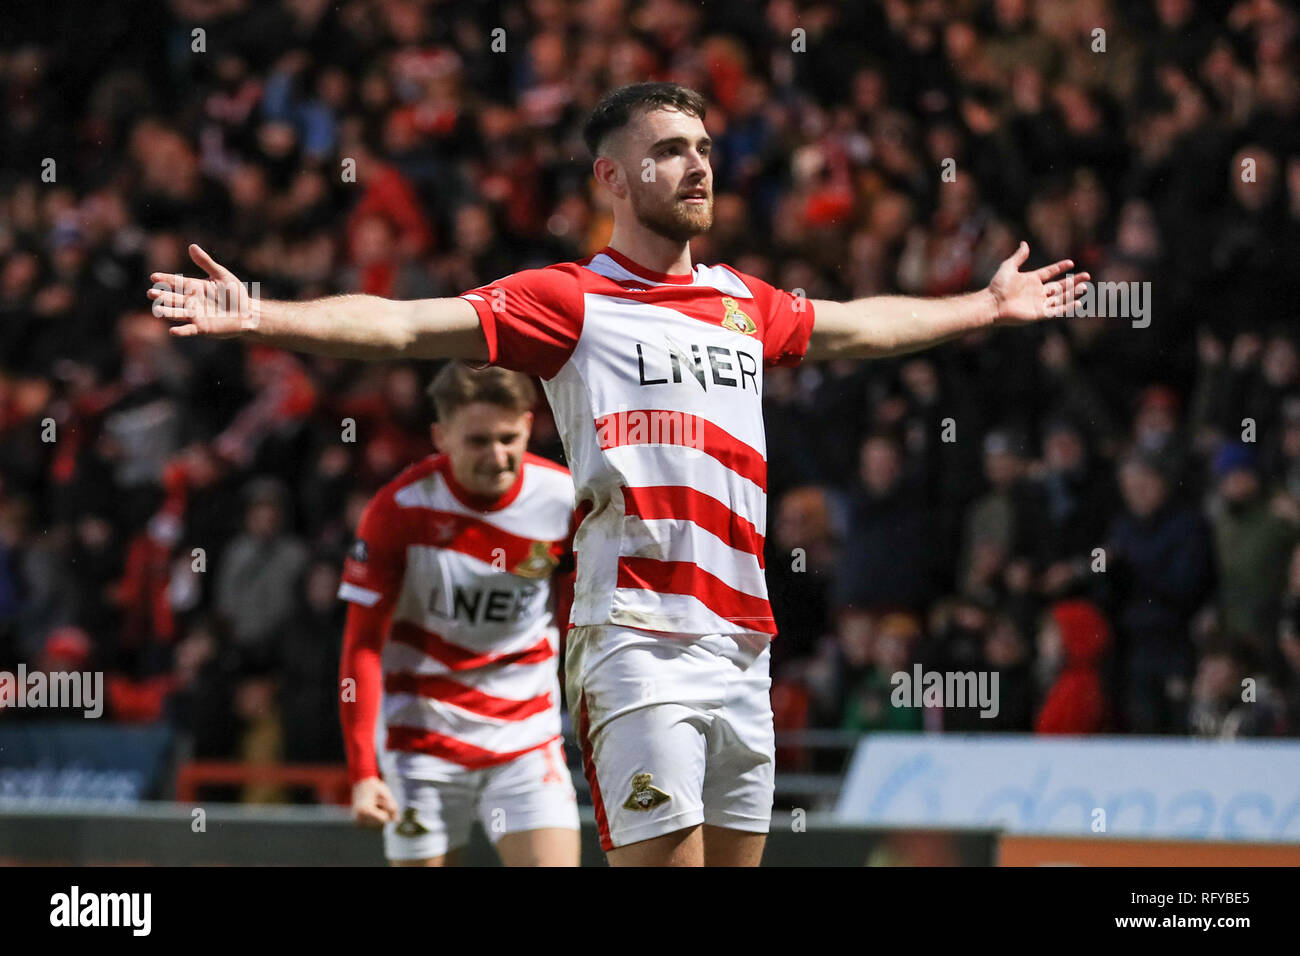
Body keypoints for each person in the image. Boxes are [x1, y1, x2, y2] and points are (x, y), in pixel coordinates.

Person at [147, 81, 1087, 866]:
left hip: (743, 639)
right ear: (612, 177)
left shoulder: (737, 302)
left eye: (706, 147)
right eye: (671, 149)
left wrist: (982, 306)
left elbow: (857, 325)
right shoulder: (572, 300)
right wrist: (260, 314)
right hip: (637, 637)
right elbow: (403, 325)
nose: (699, 166)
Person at [336, 363, 580, 866]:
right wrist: (363, 772)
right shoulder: (398, 510)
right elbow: (362, 645)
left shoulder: (563, 499)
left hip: (527, 739)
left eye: (509, 437)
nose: (498, 456)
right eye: (477, 441)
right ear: (440, 437)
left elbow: (583, 616)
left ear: (529, 426)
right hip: (422, 745)